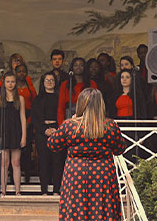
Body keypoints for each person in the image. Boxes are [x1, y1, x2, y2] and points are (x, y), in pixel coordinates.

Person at [47, 88, 126, 221]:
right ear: (101, 105)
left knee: (76, 209)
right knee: (103, 208)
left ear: (81, 104)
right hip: (103, 174)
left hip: (76, 174)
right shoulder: (110, 125)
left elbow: (52, 144)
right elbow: (120, 149)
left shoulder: (70, 126)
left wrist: (72, 120)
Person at [0, 71, 26, 196]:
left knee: (16, 162)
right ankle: (3, 190)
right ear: (3, 83)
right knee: (4, 163)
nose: (10, 84)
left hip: (16, 131)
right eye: (8, 82)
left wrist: (24, 136)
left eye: (12, 82)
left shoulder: (20, 99)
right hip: (3, 132)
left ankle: (18, 191)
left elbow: (23, 118)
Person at [31, 71, 62, 196]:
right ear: (43, 83)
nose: (49, 82)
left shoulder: (60, 98)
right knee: (43, 161)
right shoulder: (38, 99)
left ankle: (56, 190)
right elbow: (34, 118)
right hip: (42, 131)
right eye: (47, 80)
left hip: (57, 130)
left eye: (52, 80)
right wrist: (45, 130)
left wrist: (58, 130)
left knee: (57, 161)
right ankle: (44, 190)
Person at [57, 57, 97, 126]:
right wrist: (61, 125)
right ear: (72, 68)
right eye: (76, 65)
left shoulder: (91, 83)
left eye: (81, 65)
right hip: (69, 117)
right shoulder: (65, 84)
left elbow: (95, 105)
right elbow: (61, 107)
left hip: (87, 117)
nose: (78, 67)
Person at [14, 63, 37, 183]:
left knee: (26, 149)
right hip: (14, 119)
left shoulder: (31, 89)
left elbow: (35, 107)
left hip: (28, 120)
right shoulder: (11, 89)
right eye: (19, 71)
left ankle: (27, 177)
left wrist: (29, 122)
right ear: (15, 73)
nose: (21, 73)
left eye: (24, 71)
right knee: (14, 148)